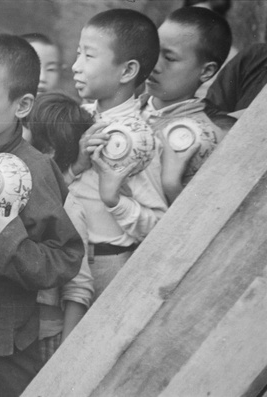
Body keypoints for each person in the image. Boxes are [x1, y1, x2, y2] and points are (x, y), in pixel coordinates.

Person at [0, 33, 85, 396]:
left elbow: (65, 258)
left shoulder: (35, 169)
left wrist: (7, 236)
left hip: (2, 341)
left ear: (23, 104)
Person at [68, 9, 167, 301]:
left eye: (88, 56)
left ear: (127, 71)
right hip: (68, 261)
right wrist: (75, 166)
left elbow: (159, 226)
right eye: (77, 53)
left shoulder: (137, 139)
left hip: (109, 266)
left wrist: (115, 200)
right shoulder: (81, 117)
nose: (75, 66)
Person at [25, 92, 95, 362]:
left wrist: (65, 354)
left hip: (46, 338)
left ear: (49, 150)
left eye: (24, 131)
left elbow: (79, 286)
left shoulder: (68, 208)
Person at [142, 6, 231, 203]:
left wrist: (172, 187)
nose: (153, 64)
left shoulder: (203, 137)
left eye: (169, 58)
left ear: (206, 72)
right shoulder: (125, 106)